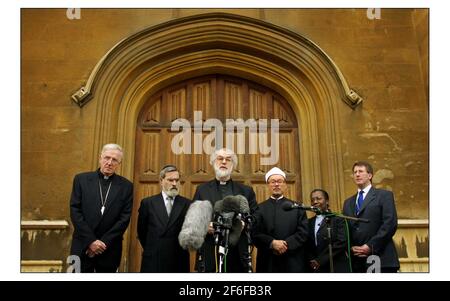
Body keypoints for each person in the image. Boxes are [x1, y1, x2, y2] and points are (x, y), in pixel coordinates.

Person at [69, 143, 133, 272]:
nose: (109, 162)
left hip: (109, 248)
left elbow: (124, 218)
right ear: (100, 158)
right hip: (83, 246)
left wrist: (103, 243)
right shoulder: (81, 180)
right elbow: (75, 211)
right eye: (107, 158)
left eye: (114, 160)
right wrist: (91, 241)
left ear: (119, 163)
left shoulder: (126, 186)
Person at [192, 148, 258, 272]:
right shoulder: (202, 190)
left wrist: (244, 223)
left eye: (228, 159)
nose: (224, 162)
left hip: (238, 253)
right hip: (210, 251)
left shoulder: (246, 191)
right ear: (213, 162)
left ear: (233, 165)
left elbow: (256, 217)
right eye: (220, 159)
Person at [342, 161, 400, 273]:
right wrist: (350, 248)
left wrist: (370, 246)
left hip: (381, 258)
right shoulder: (348, 202)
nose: (357, 174)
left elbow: (390, 224)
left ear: (370, 175)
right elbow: (345, 228)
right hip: (357, 262)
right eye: (355, 172)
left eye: (360, 171)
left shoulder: (384, 195)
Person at [252, 167, 309, 272]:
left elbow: (303, 232)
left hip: (292, 260)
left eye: (279, 181)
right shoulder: (259, 208)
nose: (276, 184)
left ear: (285, 185)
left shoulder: (297, 207)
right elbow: (255, 233)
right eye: (273, 182)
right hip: (268, 261)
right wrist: (272, 243)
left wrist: (285, 244)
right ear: (268, 185)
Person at [137, 165, 191, 272]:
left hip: (178, 261)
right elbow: (142, 232)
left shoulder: (187, 204)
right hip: (153, 260)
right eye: (170, 180)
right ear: (161, 181)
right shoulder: (148, 203)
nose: (174, 183)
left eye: (177, 180)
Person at [306, 189, 350, 273]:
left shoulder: (338, 218)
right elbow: (308, 244)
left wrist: (320, 260)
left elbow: (341, 242)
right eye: (312, 200)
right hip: (317, 269)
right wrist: (312, 260)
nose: (315, 202)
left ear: (326, 201)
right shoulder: (309, 222)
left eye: (318, 199)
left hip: (336, 266)